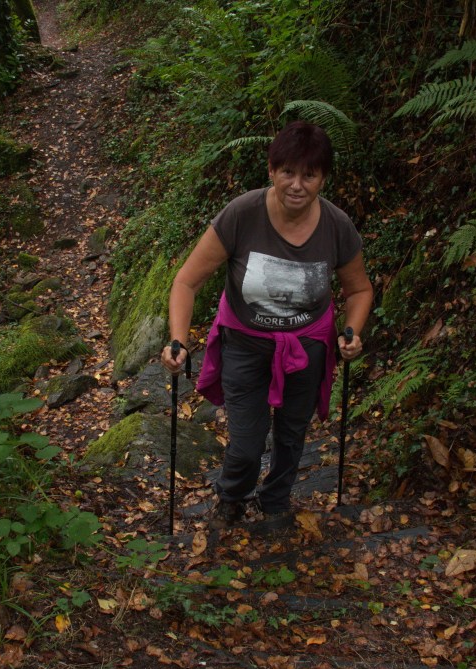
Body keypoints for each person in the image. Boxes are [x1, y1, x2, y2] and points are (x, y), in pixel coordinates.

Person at [160, 121, 373, 529]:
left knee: (292, 435)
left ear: (323, 179)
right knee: (246, 443)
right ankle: (232, 497)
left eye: (309, 175)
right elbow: (186, 281)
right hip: (245, 343)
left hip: (308, 346)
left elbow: (359, 290)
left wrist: (352, 332)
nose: (297, 185)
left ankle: (276, 500)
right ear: (271, 170)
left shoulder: (336, 225)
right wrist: (178, 339)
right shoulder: (242, 214)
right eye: (288, 172)